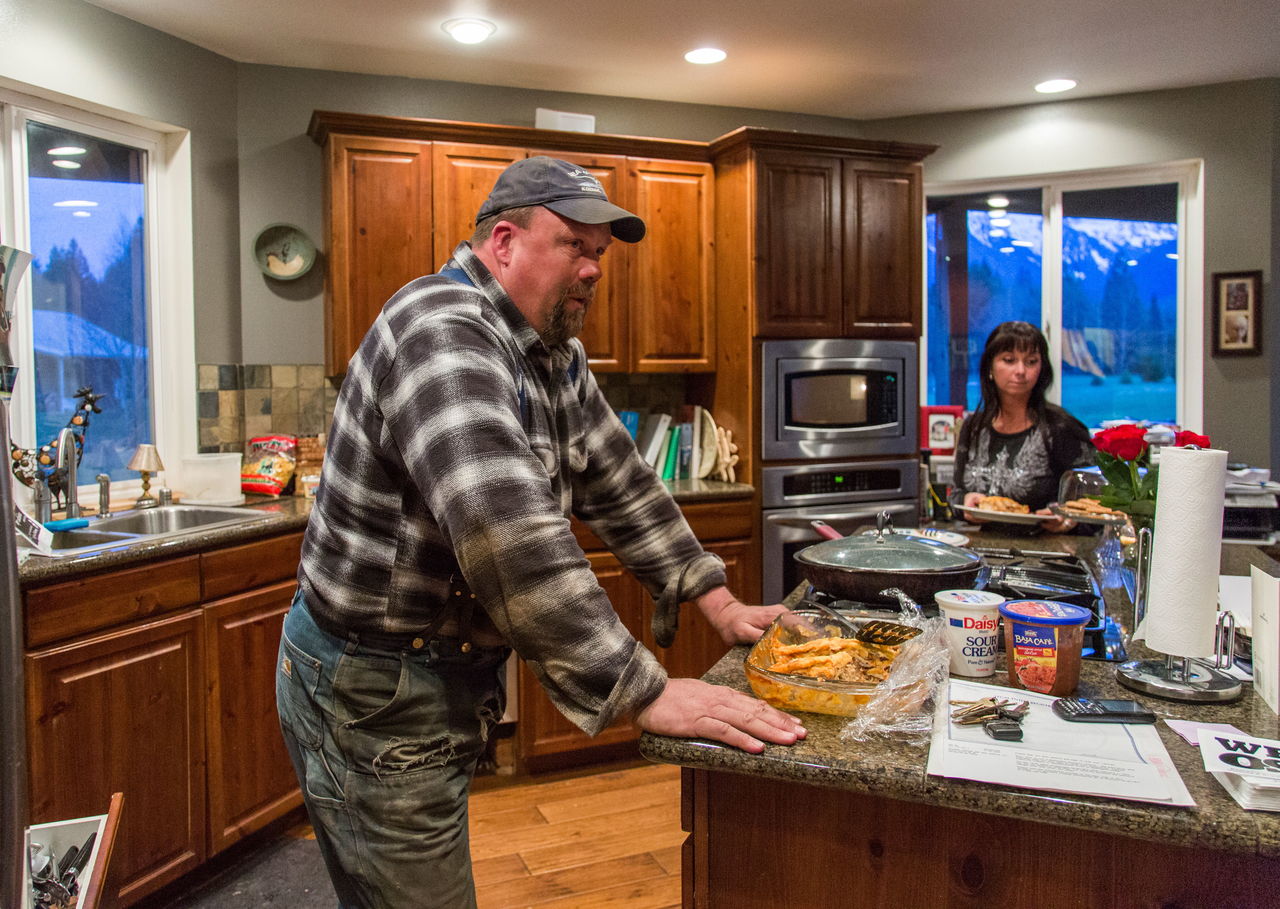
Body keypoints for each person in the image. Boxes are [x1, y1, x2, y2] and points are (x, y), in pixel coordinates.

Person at [275, 156, 806, 909]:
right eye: (574, 246)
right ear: (503, 242)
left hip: (428, 675)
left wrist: (714, 597)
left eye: (601, 253)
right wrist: (641, 689)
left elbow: (618, 477)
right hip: (370, 689)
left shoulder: (550, 353)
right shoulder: (441, 331)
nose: (593, 269)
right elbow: (506, 528)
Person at [953, 321, 1093, 532]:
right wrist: (965, 503)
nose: (1020, 371)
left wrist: (1067, 522)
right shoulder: (973, 427)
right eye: (1009, 360)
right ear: (990, 367)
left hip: (1047, 553)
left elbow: (1097, 509)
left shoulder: (1061, 428)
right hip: (979, 549)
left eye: (1031, 361)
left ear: (1041, 368)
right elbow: (956, 494)